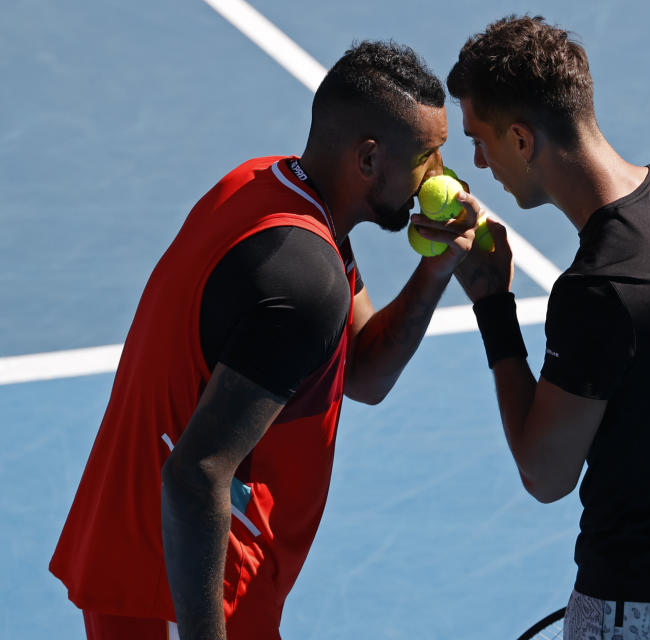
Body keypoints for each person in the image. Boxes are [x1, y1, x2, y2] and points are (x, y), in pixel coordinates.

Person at [50, 41, 481, 640]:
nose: (439, 177)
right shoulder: (307, 278)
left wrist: (436, 271)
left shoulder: (267, 189)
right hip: (185, 589)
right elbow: (194, 475)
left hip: (155, 556)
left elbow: (365, 374)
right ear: (368, 159)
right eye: (427, 158)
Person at [428, 15, 650, 639]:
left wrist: (492, 303)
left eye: (480, 141)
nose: (480, 163)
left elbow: (545, 473)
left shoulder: (599, 290)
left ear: (521, 138)